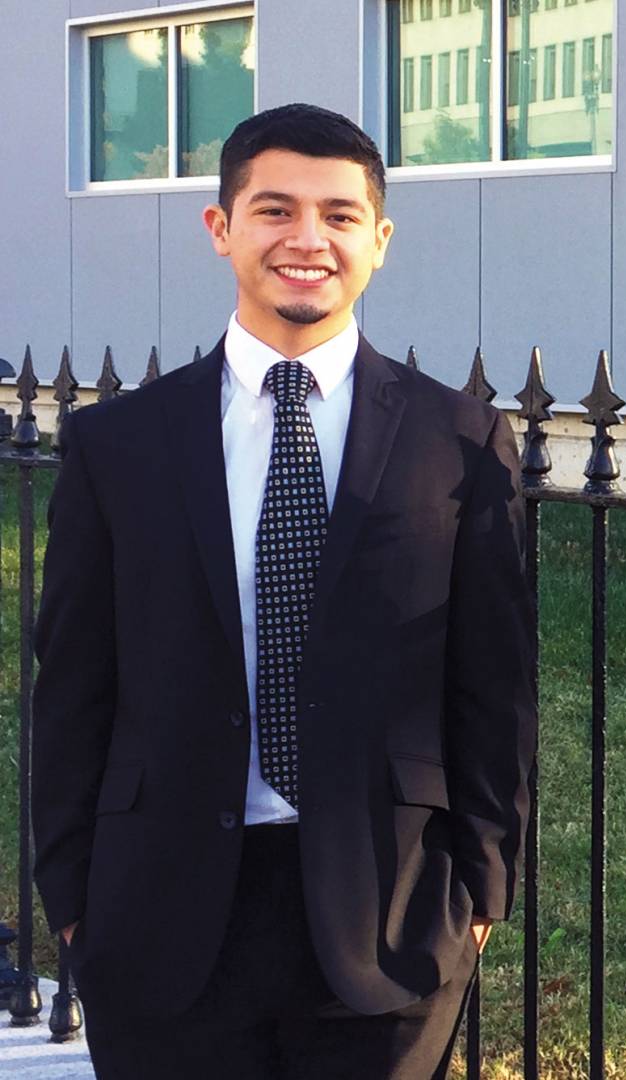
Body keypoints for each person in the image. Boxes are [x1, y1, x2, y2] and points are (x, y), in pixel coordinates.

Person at [31, 103, 536, 1080]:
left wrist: (481, 889)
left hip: (388, 920)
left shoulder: (460, 442)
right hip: (159, 917)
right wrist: (71, 896)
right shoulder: (118, 446)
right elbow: (72, 688)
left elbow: (494, 689)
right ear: (221, 229)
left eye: (341, 216)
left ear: (379, 242)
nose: (309, 240)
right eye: (275, 210)